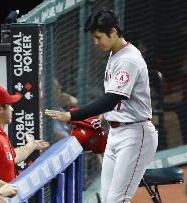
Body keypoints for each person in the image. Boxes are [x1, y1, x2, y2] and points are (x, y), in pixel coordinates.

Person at [45, 9, 158, 203]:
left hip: (135, 134)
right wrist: (107, 114)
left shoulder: (128, 59)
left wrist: (72, 116)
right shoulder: (116, 54)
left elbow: (111, 99)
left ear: (113, 31)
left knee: (117, 199)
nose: (96, 42)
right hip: (117, 133)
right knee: (107, 199)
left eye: (98, 37)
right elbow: (119, 100)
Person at [0, 86, 50, 193]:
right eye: (9, 105)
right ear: (0, 109)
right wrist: (15, 189)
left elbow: (12, 158)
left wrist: (31, 145)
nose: (12, 109)